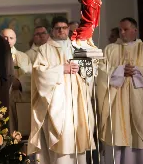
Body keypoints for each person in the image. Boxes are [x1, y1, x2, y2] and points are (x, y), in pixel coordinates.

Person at [28, 16, 95, 164]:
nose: (61, 31)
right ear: (52, 30)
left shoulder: (77, 48)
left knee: (78, 137)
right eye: (57, 28)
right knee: (62, 138)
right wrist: (61, 69)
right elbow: (39, 72)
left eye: (64, 28)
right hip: (57, 103)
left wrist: (83, 69)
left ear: (68, 30)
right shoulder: (45, 49)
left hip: (77, 101)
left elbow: (90, 73)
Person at [97, 17, 143, 164]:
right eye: (120, 30)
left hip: (140, 102)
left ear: (135, 30)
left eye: (126, 29)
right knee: (118, 138)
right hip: (117, 102)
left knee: (140, 142)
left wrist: (137, 71)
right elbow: (102, 73)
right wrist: (120, 71)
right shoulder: (110, 49)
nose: (122, 33)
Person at [1, 28, 32, 135]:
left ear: (15, 40)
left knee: (20, 130)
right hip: (2, 97)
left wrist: (19, 82)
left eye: (11, 38)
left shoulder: (23, 56)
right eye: (5, 37)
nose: (8, 40)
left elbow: (30, 75)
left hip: (19, 97)